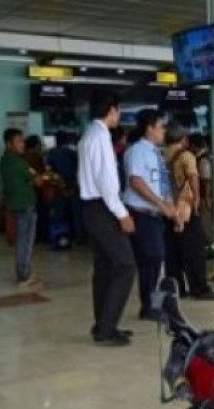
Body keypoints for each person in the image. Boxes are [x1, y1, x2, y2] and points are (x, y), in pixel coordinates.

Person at [78, 90, 136, 347]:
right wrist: (122, 214)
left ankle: (103, 322)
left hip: (91, 207)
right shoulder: (101, 137)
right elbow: (107, 181)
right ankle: (106, 327)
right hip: (104, 208)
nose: (119, 115)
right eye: (118, 110)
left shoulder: (88, 135)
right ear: (111, 110)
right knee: (125, 266)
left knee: (104, 267)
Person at [122, 109, 176, 322]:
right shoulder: (137, 151)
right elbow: (136, 181)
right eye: (161, 126)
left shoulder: (155, 152)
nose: (164, 131)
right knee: (151, 260)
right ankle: (149, 307)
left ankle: (154, 304)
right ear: (149, 128)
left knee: (156, 260)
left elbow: (161, 183)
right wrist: (161, 205)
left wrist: (170, 207)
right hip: (142, 214)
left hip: (155, 215)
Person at [164, 122, 214, 301]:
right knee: (195, 250)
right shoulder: (186, 155)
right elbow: (193, 178)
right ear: (183, 139)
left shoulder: (162, 154)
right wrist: (196, 201)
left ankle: (178, 289)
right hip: (186, 208)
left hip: (168, 208)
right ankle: (200, 289)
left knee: (173, 252)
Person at [0, 128, 43, 289]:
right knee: (25, 242)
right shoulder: (20, 162)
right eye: (19, 141)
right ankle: (23, 275)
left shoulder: (4, 161)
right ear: (9, 143)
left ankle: (24, 272)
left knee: (22, 240)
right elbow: (38, 181)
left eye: (23, 140)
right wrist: (32, 181)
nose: (22, 144)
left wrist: (29, 182)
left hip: (15, 205)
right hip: (25, 206)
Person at [47, 131, 84, 244]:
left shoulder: (51, 153)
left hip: (59, 187)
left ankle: (58, 237)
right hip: (74, 187)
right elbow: (79, 170)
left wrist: (61, 186)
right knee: (76, 214)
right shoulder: (73, 154)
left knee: (59, 214)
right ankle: (79, 238)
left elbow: (50, 172)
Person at [189, 134, 214, 248]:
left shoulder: (203, 160)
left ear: (193, 146)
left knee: (206, 221)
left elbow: (206, 180)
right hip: (207, 195)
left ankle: (211, 245)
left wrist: (207, 197)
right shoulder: (209, 157)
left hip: (205, 196)